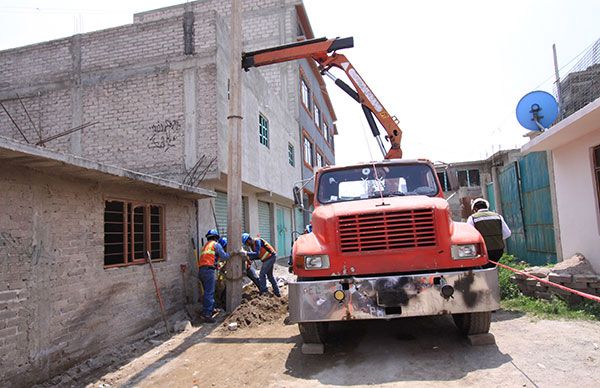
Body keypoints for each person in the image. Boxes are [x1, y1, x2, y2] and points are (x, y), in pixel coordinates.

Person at [198, 229, 230, 323]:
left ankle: (209, 310)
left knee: (207, 292)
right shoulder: (216, 245)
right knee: (209, 292)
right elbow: (224, 256)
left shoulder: (205, 246)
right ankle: (207, 315)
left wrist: (216, 264)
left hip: (202, 270)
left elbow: (210, 258)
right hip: (208, 271)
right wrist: (231, 254)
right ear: (216, 237)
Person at [242, 232, 281, 297]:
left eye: (246, 243)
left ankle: (264, 291)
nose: (247, 245)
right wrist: (249, 258)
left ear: (249, 239)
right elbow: (258, 256)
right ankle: (277, 292)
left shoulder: (257, 241)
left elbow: (257, 253)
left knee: (262, 274)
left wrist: (246, 253)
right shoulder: (252, 246)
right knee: (270, 276)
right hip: (268, 258)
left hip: (271, 257)